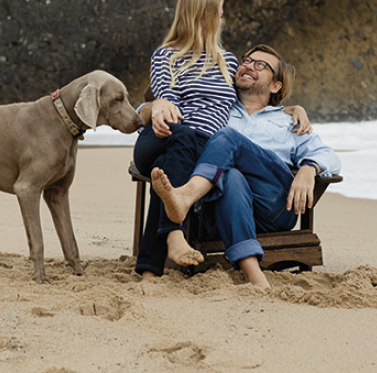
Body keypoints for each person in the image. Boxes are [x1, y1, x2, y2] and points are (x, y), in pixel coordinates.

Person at [146, 44, 340, 288]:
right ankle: (252, 271)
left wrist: (308, 169)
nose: (248, 66)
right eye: (246, 61)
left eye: (260, 65)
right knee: (232, 176)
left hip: (273, 206)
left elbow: (329, 156)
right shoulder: (215, 111)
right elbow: (154, 117)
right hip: (216, 208)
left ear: (275, 85)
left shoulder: (288, 120)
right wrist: (155, 105)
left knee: (230, 139)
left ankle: (185, 197)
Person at [132, 0, 239, 277]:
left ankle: (149, 271)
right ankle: (175, 235)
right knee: (183, 135)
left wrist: (294, 110)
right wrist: (158, 106)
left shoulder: (228, 62)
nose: (222, 19)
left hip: (198, 151)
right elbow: (164, 95)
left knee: (164, 171)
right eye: (219, 12)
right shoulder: (165, 55)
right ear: (203, 17)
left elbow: (254, 101)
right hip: (162, 137)